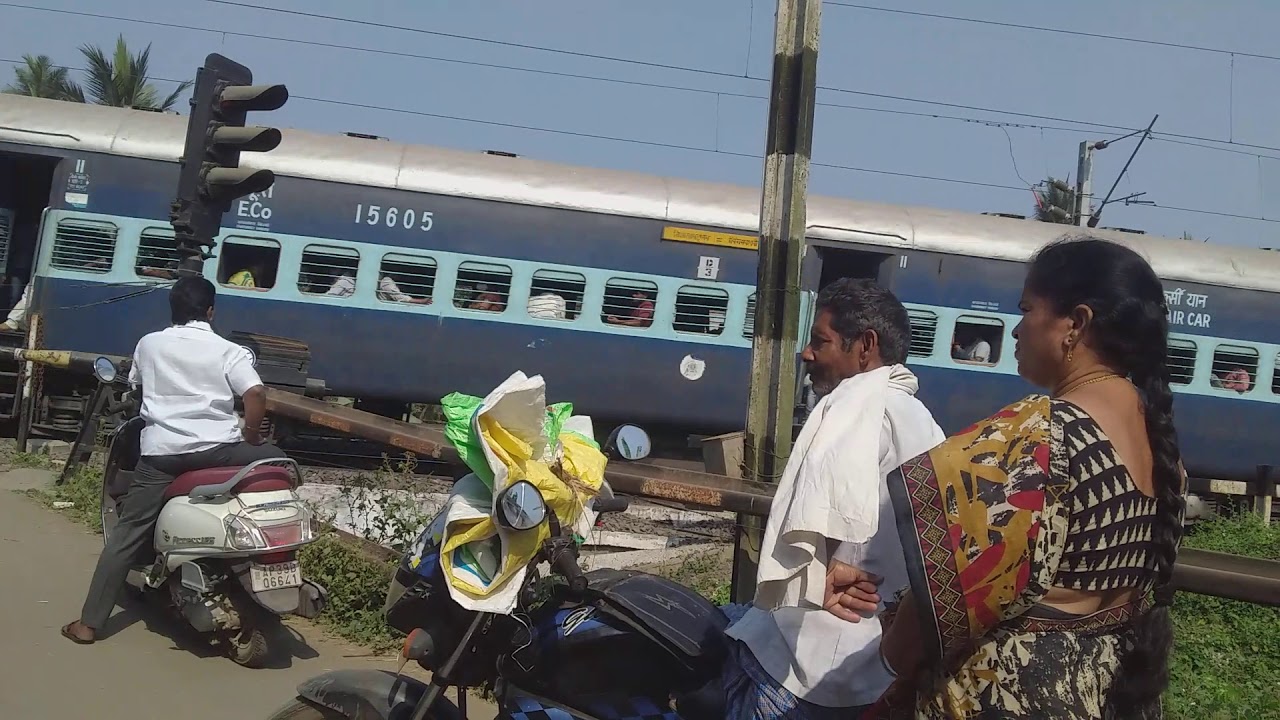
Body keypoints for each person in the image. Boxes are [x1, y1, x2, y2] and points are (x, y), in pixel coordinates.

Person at [827, 237, 1186, 719]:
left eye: (1027, 309)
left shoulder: (1038, 438)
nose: (1016, 329)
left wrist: (891, 651)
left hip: (1011, 697)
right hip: (1104, 698)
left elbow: (938, 608)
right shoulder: (1161, 447)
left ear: (1076, 324)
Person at [718, 278, 946, 718]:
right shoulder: (925, 422)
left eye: (820, 341)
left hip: (803, 661)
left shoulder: (853, 403)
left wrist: (811, 578)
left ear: (865, 346)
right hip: (873, 667)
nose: (807, 353)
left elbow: (820, 514)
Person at [61, 276, 287, 645]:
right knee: (279, 462)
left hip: (162, 457)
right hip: (220, 451)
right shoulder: (229, 350)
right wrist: (250, 434)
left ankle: (88, 625)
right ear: (210, 311)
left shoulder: (149, 344)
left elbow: (135, 384)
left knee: (127, 535)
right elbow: (256, 393)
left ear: (173, 310)